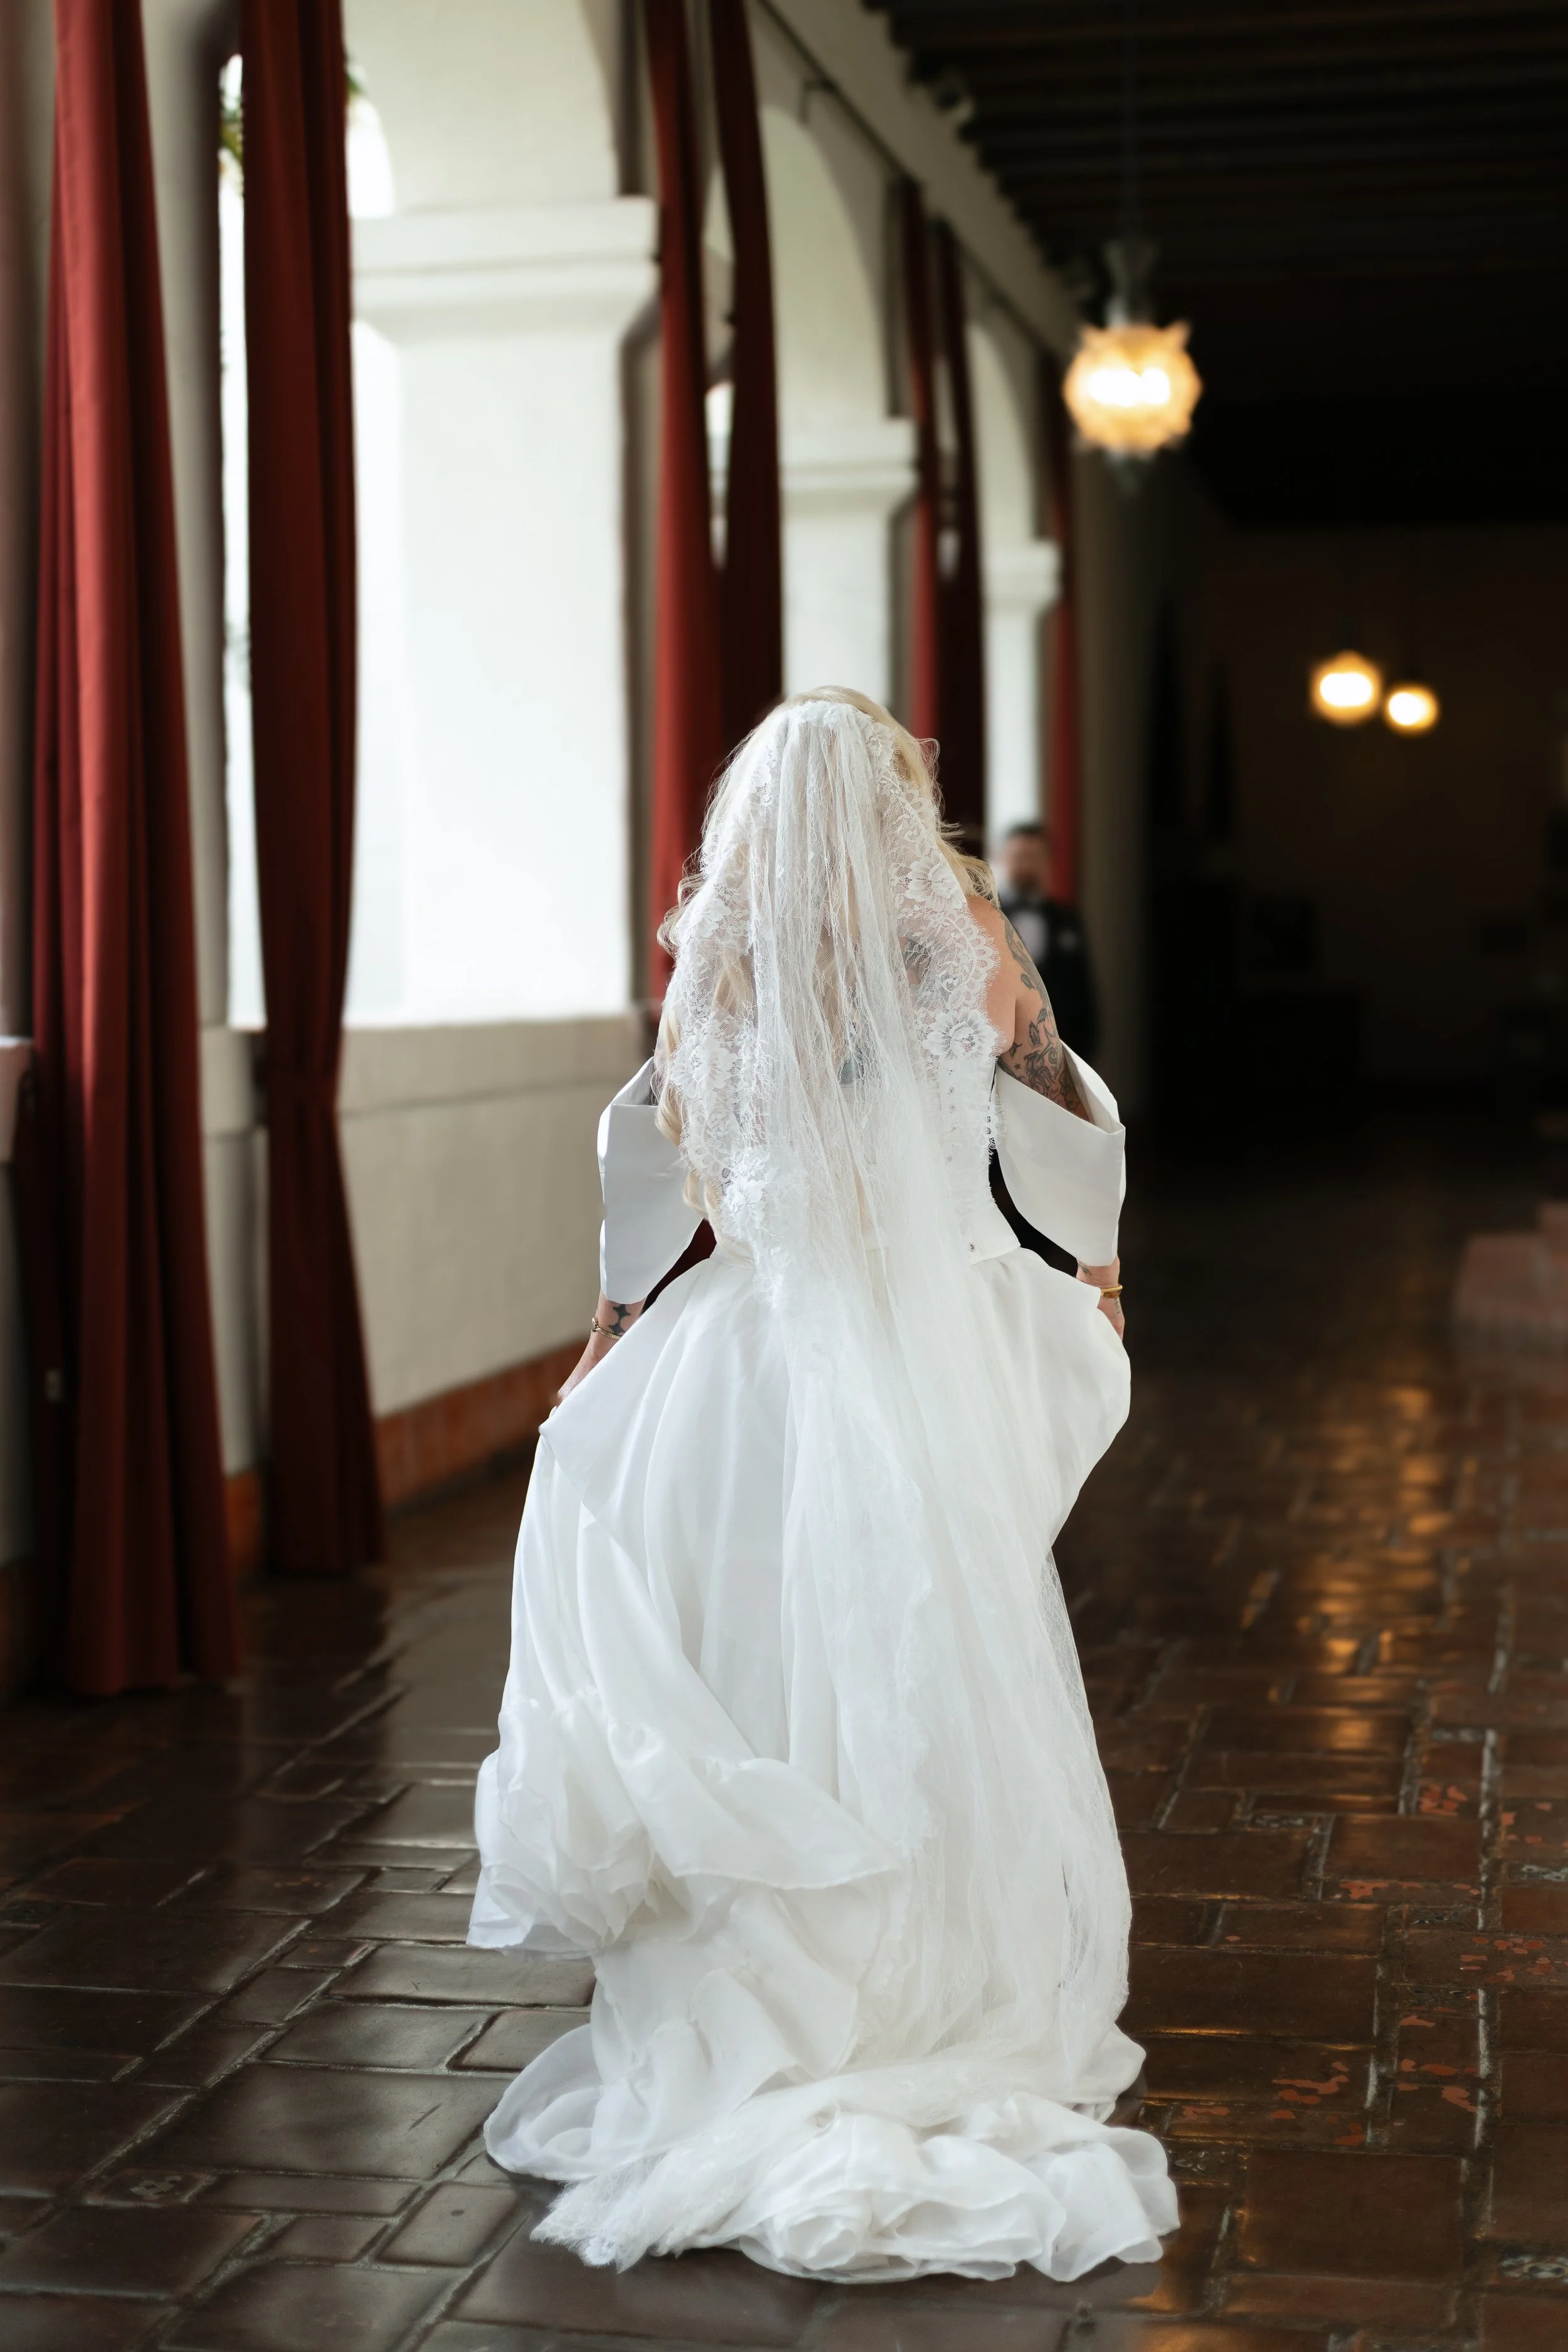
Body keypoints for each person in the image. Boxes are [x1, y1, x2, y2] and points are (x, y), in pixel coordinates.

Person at [468, 689, 1175, 2284]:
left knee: (749, 1656)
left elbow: (658, 1159)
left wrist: (606, 1333)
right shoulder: (963, 946)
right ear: (898, 801)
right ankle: (923, 1975)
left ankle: (760, 1973)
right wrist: (1093, 1266)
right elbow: (1059, 1099)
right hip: (914, 1355)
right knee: (924, 1649)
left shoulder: (715, 963)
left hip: (741, 1360)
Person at [996, 819, 1098, 1062]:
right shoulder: (992, 917)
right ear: (1004, 860)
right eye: (1019, 857)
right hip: (1004, 1052)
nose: (1026, 865)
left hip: (1062, 1049)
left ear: (1047, 862)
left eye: (1033, 857)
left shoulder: (1067, 919)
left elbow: (1082, 988)